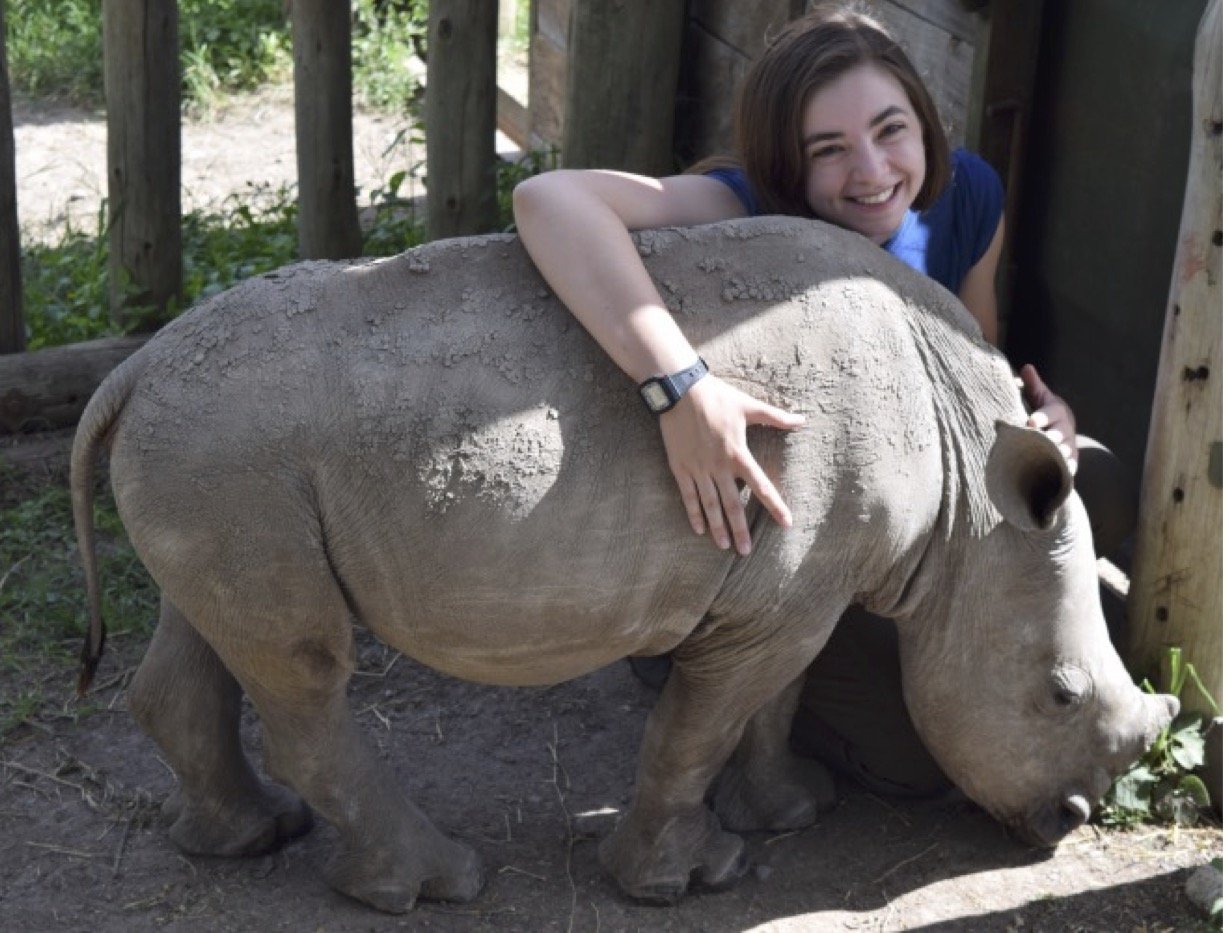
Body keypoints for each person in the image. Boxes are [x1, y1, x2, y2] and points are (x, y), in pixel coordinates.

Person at [512, 4, 1130, 796]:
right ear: (784, 164)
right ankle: (701, 664)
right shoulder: (743, 205)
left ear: (925, 123)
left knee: (1101, 484)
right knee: (909, 762)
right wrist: (680, 389)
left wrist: (1043, 422)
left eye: (889, 130)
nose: (871, 171)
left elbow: (978, 358)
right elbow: (549, 199)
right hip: (787, 547)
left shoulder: (968, 192)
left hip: (904, 515)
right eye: (828, 149)